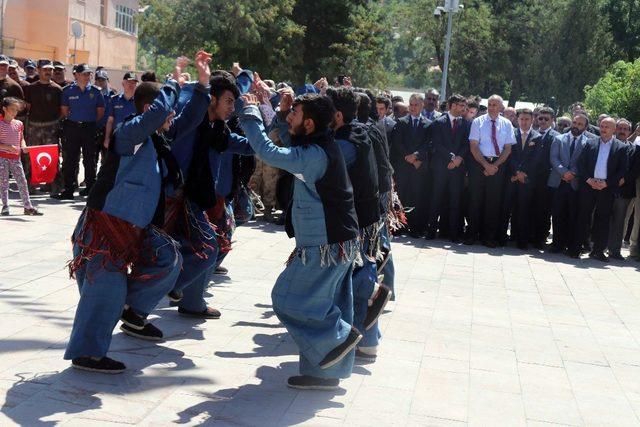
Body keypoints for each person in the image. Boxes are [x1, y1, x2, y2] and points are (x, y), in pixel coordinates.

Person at [238, 91, 362, 390]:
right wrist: (278, 113)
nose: (288, 115)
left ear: (308, 123)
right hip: (336, 240)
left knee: (286, 298)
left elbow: (269, 153)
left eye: (294, 112)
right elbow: (289, 138)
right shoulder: (317, 144)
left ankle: (340, 337)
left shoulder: (314, 156)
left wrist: (252, 113)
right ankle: (324, 376)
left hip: (326, 245)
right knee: (326, 303)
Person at [64, 77, 186, 373]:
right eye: (168, 109)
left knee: (170, 260)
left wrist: (202, 83)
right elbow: (158, 114)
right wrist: (172, 82)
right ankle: (87, 353)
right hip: (102, 232)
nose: (172, 116)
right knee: (103, 291)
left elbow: (189, 119)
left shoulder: (157, 141)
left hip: (134, 232)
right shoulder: (128, 133)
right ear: (150, 108)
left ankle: (130, 309)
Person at [570, 117, 629, 261]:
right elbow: (581, 164)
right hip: (588, 186)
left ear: (614, 129)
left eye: (607, 126)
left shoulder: (621, 147)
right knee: (583, 217)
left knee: (602, 220)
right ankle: (576, 248)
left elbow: (623, 170)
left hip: (606, 189)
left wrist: (607, 183)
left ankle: (598, 251)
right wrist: (588, 179)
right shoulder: (589, 143)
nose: (603, 129)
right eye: (602, 126)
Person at [465, 94, 515, 247]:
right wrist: (486, 165)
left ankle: (489, 237)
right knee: (475, 200)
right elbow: (473, 146)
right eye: (490, 104)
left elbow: (507, 149)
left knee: (493, 203)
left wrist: (495, 166)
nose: (492, 107)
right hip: (479, 164)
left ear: (501, 107)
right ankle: (472, 234)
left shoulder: (507, 124)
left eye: (495, 105)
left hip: (498, 165)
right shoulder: (477, 122)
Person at [420, 94, 470, 242]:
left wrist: (458, 159)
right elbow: (436, 144)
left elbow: (467, 144)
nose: (463, 108)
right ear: (453, 105)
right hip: (441, 167)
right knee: (436, 199)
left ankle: (453, 234)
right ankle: (431, 231)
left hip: (457, 169)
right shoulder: (438, 122)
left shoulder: (466, 124)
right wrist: (451, 157)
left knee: (455, 200)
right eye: (461, 105)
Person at [53, 64, 105, 200]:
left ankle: (90, 189)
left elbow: (100, 112)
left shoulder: (96, 91)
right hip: (72, 127)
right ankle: (68, 190)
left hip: (89, 128)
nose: (87, 76)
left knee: (90, 159)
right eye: (84, 74)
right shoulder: (68, 91)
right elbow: (64, 110)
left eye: (88, 74)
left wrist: (89, 121)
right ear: (76, 75)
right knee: (70, 159)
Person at [390, 93, 431, 236]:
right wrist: (409, 157)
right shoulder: (401, 122)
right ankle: (399, 226)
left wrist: (417, 157)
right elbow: (398, 143)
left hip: (418, 167)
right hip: (403, 166)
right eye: (411, 105)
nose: (413, 108)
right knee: (401, 196)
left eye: (416, 105)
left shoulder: (428, 124)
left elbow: (428, 144)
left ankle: (415, 227)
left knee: (416, 197)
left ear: (422, 106)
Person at [499, 108, 541, 248]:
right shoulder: (510, 134)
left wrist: (523, 174)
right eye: (521, 119)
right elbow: (508, 155)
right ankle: (501, 237)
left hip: (526, 180)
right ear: (517, 120)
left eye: (527, 119)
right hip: (511, 178)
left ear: (532, 120)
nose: (524, 122)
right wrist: (516, 172)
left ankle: (521, 240)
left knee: (524, 209)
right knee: (505, 209)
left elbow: (536, 159)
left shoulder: (537, 137)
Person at [548, 113, 589, 254]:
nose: (576, 126)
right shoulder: (558, 139)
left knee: (572, 215)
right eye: (575, 123)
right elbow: (554, 158)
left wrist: (572, 173)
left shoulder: (588, 143)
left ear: (585, 127)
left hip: (575, 184)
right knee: (557, 214)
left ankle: (570, 244)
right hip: (558, 182)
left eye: (580, 124)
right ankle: (556, 244)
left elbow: (584, 162)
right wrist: (563, 172)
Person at [24, 60, 63, 192]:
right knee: (32, 157)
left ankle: (54, 186)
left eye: (50, 70)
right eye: (45, 69)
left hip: (51, 127)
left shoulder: (58, 89)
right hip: (34, 126)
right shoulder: (31, 88)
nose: (48, 72)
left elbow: (62, 111)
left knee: (52, 157)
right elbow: (28, 107)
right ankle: (31, 185)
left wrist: (54, 124)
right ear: (38, 70)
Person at [0, 97, 42, 216]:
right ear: (4, 109)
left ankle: (28, 206)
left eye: (16, 110)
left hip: (16, 158)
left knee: (22, 181)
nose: (14, 112)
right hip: (2, 157)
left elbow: (21, 139)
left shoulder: (19, 124)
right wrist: (8, 148)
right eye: (12, 109)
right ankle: (5, 206)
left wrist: (24, 147)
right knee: (4, 182)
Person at [607, 120, 640, 260]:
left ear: (629, 131)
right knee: (603, 218)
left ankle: (615, 249)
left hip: (625, 190)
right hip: (605, 188)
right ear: (615, 129)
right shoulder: (607, 145)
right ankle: (599, 246)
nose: (622, 131)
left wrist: (624, 179)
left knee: (622, 220)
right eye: (619, 128)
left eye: (625, 129)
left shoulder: (636, 149)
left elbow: (635, 169)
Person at [532, 107, 560, 249]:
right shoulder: (532, 133)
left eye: (546, 119)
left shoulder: (556, 137)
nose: (542, 121)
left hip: (546, 179)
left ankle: (540, 237)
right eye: (540, 118)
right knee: (530, 207)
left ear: (552, 120)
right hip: (531, 178)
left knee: (544, 210)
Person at [102, 72, 138, 151]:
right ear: (123, 83)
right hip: (117, 138)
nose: (131, 85)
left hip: (133, 140)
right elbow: (110, 121)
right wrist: (107, 138)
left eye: (134, 83)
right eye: (129, 82)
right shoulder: (115, 100)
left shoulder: (139, 102)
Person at [94, 68, 117, 165]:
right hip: (94, 128)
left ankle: (103, 179)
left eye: (103, 79)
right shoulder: (92, 93)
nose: (101, 82)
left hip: (108, 130)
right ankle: (91, 179)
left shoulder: (113, 95)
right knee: (92, 156)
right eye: (99, 79)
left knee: (106, 158)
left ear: (107, 80)